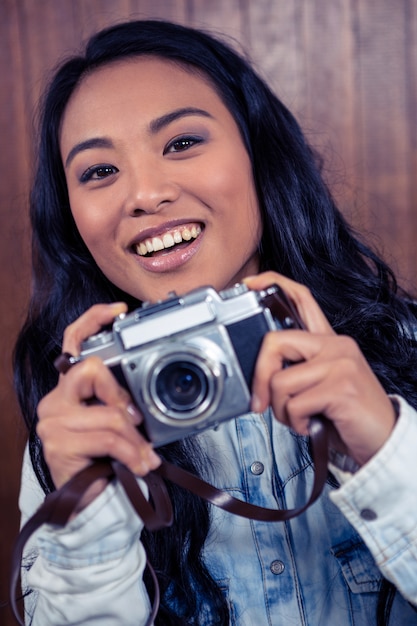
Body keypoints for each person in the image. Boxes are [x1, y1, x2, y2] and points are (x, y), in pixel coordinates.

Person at [13, 18, 417, 626]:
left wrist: (386, 448)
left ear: (259, 155)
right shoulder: (79, 423)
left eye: (181, 143)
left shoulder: (403, 346)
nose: (144, 194)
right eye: (99, 171)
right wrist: (87, 521)